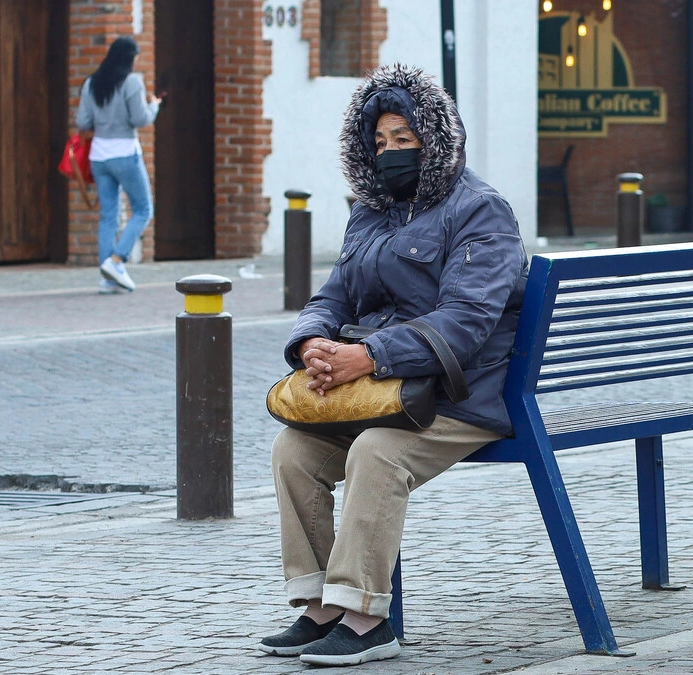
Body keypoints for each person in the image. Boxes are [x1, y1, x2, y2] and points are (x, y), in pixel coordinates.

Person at [258, 64, 528, 667]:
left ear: (436, 139)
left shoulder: (480, 211)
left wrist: (368, 356)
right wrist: (312, 344)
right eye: (379, 142)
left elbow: (465, 321)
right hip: (385, 391)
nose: (390, 153)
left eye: (404, 139)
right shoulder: (371, 211)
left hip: (462, 396)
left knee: (376, 453)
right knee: (293, 451)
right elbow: (333, 295)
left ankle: (366, 619)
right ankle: (320, 607)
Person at [74, 36, 161, 294]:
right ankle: (115, 260)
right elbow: (140, 119)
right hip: (125, 153)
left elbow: (83, 121)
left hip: (99, 156)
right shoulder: (131, 82)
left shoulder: (92, 83)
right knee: (143, 209)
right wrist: (154, 106)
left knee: (108, 216)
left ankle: (108, 279)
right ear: (129, 58)